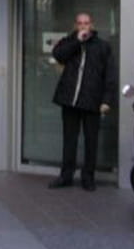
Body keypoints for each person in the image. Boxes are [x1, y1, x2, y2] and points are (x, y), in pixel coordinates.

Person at [48, 12, 116, 192]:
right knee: (69, 140)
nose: (83, 26)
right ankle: (66, 176)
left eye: (86, 23)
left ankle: (88, 177)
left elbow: (110, 75)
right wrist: (77, 41)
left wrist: (106, 100)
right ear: (75, 25)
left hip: (92, 101)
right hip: (69, 100)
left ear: (92, 25)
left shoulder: (102, 46)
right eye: (80, 23)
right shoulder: (68, 42)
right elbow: (58, 55)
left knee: (91, 141)